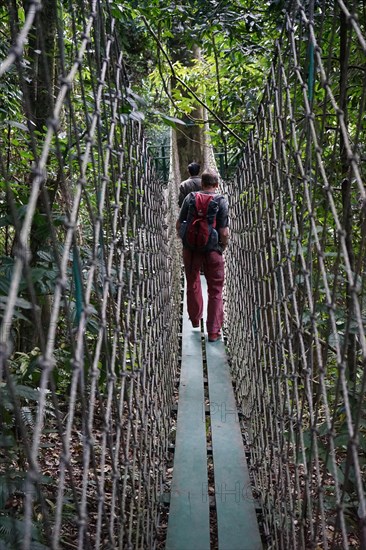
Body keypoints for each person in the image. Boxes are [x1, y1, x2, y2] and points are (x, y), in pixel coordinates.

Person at [176, 168, 229, 342]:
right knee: (215, 289)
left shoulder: (190, 198)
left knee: (192, 282)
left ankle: (195, 320)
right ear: (216, 185)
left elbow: (179, 223)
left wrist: (186, 240)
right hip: (213, 249)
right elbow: (224, 232)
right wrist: (222, 246)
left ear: (202, 184)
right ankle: (213, 331)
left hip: (191, 249)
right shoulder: (220, 200)